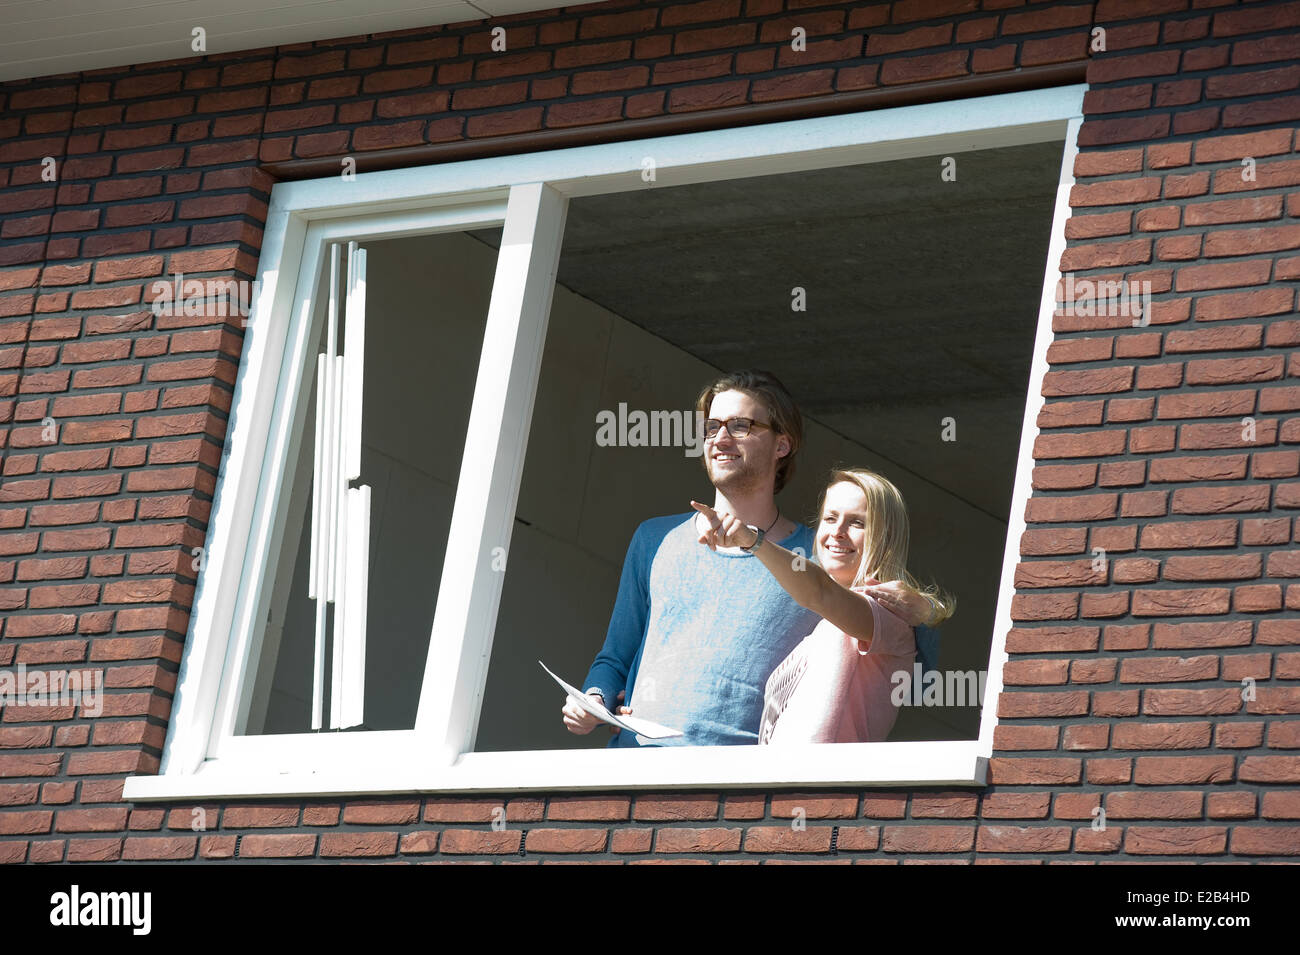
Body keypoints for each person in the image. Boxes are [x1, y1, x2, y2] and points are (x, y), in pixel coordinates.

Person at [561, 370, 940, 746]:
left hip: (740, 789)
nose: (721, 438)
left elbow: (904, 662)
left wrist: (923, 611)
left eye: (740, 425)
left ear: (782, 445)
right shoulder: (653, 539)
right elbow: (615, 657)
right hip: (636, 770)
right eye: (712, 427)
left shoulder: (821, 557)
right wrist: (596, 699)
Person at [692, 467, 955, 744]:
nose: (837, 532)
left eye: (856, 523)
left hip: (820, 785)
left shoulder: (887, 611)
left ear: (885, 537)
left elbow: (819, 592)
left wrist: (752, 541)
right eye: (830, 518)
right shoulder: (825, 626)